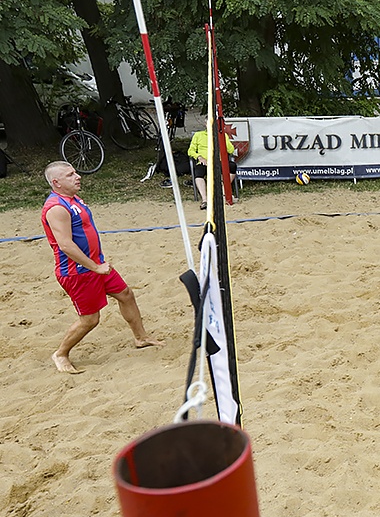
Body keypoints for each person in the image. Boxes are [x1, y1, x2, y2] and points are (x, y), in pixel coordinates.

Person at [41, 161, 164, 374]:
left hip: (96, 264)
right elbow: (66, 245)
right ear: (56, 182)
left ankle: (141, 337)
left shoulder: (73, 199)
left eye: (75, 172)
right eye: (70, 175)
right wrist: (95, 267)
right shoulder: (57, 208)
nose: (77, 176)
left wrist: (98, 265)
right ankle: (60, 354)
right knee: (90, 320)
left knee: (126, 294)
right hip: (78, 271)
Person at [188, 129, 237, 210]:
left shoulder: (222, 135)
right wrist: (199, 157)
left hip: (219, 161)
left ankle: (223, 193)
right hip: (204, 162)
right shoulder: (198, 135)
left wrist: (223, 139)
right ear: (205, 124)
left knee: (232, 166)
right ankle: (205, 200)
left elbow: (231, 150)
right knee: (198, 172)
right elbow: (190, 151)